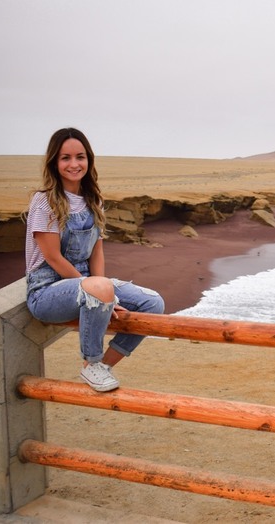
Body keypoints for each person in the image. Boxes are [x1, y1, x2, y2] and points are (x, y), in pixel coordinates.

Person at [25, 128, 164, 392]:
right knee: (100, 288)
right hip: (46, 291)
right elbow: (52, 258)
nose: (74, 164)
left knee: (153, 302)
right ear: (54, 162)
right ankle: (91, 358)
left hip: (86, 283)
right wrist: (99, 292)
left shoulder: (93, 200)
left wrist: (101, 289)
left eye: (80, 157)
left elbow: (96, 250)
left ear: (89, 160)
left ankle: (101, 367)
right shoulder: (44, 202)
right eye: (65, 158)